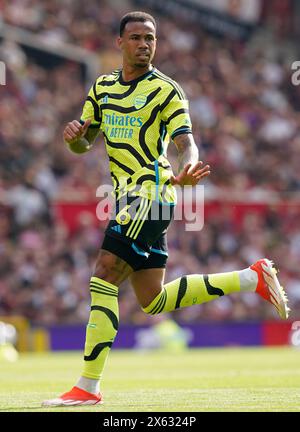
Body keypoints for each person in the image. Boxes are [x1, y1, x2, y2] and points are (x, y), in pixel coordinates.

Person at [43, 11, 289, 407]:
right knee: (152, 300)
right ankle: (251, 278)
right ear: (119, 43)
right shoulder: (102, 88)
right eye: (137, 37)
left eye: (150, 38)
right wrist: (74, 136)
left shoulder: (167, 90)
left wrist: (190, 162)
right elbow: (84, 144)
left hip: (153, 194)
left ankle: (87, 386)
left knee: (104, 273)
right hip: (124, 197)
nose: (144, 44)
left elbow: (184, 140)